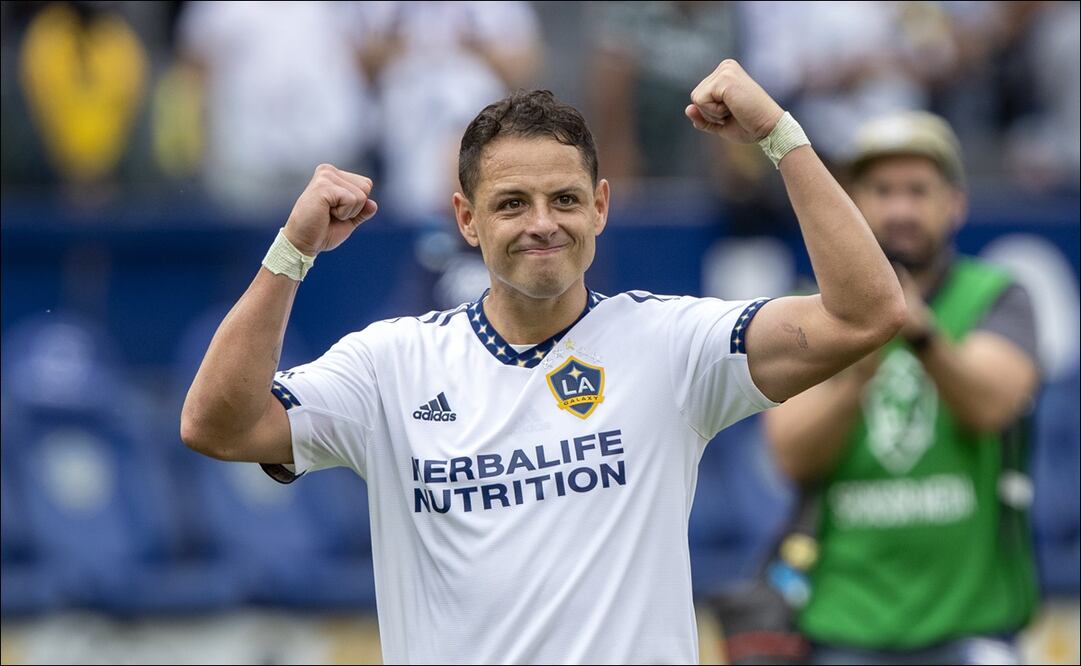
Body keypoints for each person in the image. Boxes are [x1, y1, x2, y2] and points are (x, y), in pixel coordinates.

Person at [181, 59, 906, 664]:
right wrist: (293, 250)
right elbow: (218, 425)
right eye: (511, 203)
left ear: (599, 207)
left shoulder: (671, 344)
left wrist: (778, 136)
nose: (540, 224)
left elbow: (864, 314)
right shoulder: (389, 365)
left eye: (563, 199)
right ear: (465, 218)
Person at [764, 111, 1041, 665]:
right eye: (882, 191)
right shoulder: (807, 307)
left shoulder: (997, 296)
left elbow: (991, 406)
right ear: (853, 203)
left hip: (973, 619)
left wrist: (918, 333)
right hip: (844, 620)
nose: (900, 211)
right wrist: (856, 378)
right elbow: (790, 455)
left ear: (954, 203)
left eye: (918, 191)